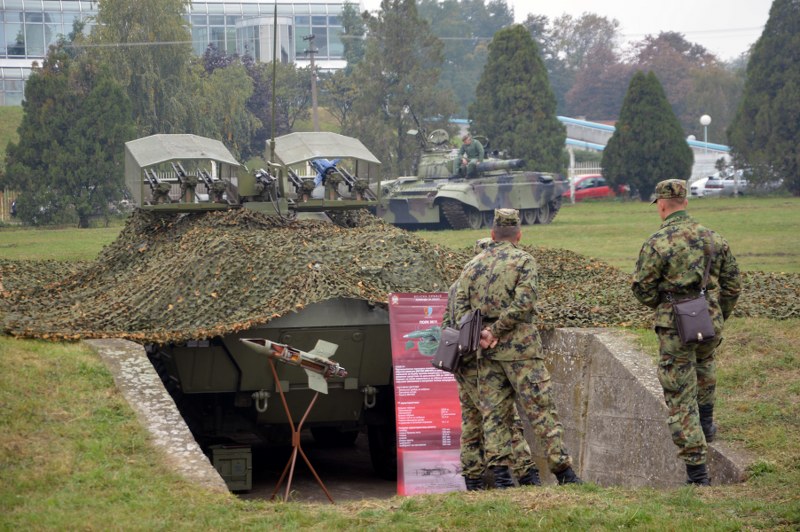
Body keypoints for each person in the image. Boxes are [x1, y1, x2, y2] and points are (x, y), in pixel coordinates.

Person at [454, 208, 582, 488]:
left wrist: (481, 335)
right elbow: (524, 304)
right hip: (521, 350)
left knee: (495, 415)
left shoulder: (472, 265)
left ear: (492, 234)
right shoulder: (524, 261)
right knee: (540, 409)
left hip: (484, 352)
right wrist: (497, 330)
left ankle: (502, 480)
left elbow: (461, 307)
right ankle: (564, 474)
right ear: (518, 235)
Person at [632, 179, 741, 486]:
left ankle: (697, 473)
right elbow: (733, 285)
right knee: (705, 366)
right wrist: (717, 315)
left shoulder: (657, 243)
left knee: (679, 393)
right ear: (686, 202)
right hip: (708, 317)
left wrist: (664, 305)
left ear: (662, 204)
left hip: (675, 324)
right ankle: (706, 425)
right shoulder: (713, 238)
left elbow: (643, 290)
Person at [443, 242, 541, 491]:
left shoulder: (459, 284)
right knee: (504, 418)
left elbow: (447, 322)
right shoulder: (485, 285)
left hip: (461, 362)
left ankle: (473, 479)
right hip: (480, 361)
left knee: (471, 420)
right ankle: (525, 473)